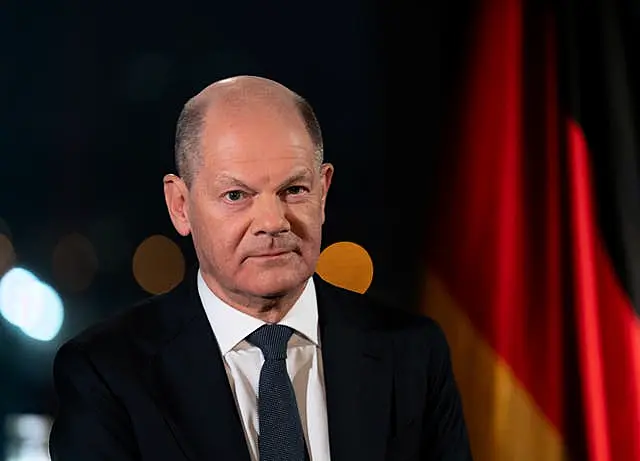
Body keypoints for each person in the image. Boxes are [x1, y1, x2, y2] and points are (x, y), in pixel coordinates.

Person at [48, 75, 473, 461]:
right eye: (236, 195)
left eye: (294, 189)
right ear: (180, 205)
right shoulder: (106, 374)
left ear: (323, 192)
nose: (273, 222)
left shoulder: (413, 354)